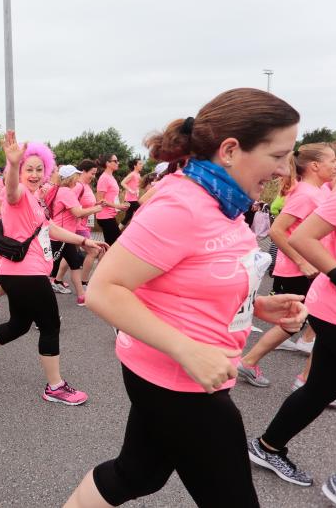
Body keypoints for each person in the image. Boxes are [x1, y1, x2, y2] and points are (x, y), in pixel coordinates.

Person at [64, 88, 308, 508]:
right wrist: (187, 349)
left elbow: (196, 276)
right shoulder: (182, 203)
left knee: (136, 474)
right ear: (230, 150)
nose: (286, 169)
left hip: (179, 372)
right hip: (181, 381)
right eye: (278, 155)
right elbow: (105, 289)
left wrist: (256, 305)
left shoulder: (223, 201)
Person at [0, 133, 107, 404]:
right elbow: (13, 189)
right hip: (25, 272)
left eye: (40, 169)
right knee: (50, 325)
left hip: (19, 271)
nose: (35, 174)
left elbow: (49, 228)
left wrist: (85, 240)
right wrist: (13, 165)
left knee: (19, 324)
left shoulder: (37, 199)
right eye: (30, 168)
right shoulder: (16, 195)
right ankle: (55, 386)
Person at [246, 183, 336, 490]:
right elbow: (297, 235)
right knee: (320, 388)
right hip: (333, 308)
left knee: (320, 389)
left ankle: (267, 446)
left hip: (329, 309)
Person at [237, 142, 336, 388]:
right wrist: (302, 262)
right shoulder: (305, 193)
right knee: (298, 321)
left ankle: (309, 380)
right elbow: (278, 230)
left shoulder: (322, 190)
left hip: (319, 268)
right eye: (333, 160)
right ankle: (255, 363)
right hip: (300, 268)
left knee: (315, 323)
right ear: (315, 165)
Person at [50, 165, 87, 304]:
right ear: (71, 178)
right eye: (76, 176)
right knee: (47, 271)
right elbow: (77, 212)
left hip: (65, 235)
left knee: (75, 264)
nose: (78, 179)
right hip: (59, 236)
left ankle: (81, 295)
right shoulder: (66, 191)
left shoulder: (59, 189)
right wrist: (97, 208)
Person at [70, 159, 104, 289]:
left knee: (69, 254)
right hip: (78, 226)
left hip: (84, 225)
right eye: (92, 173)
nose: (94, 176)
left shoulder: (86, 186)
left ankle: (56, 279)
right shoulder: (78, 186)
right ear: (83, 171)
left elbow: (86, 204)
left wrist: (97, 205)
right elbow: (71, 207)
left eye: (95, 174)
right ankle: (84, 282)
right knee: (95, 251)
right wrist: (95, 209)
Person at [95, 154, 129, 246]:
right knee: (116, 245)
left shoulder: (111, 177)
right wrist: (118, 206)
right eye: (115, 161)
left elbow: (111, 197)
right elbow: (100, 200)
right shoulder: (104, 178)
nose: (118, 163)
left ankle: (102, 259)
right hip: (105, 217)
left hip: (109, 216)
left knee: (109, 245)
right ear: (107, 163)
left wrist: (120, 205)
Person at [120, 159, 143, 226]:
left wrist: (137, 190)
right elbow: (122, 183)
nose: (142, 165)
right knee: (141, 212)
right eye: (140, 164)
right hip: (130, 200)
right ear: (135, 166)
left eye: (142, 164)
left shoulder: (138, 174)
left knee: (128, 217)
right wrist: (130, 190)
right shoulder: (132, 174)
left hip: (133, 199)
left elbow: (136, 185)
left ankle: (117, 232)